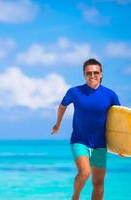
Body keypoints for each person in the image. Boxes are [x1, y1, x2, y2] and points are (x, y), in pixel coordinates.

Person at [51, 58, 120, 200]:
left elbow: (119, 121)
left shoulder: (110, 95)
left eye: (96, 72)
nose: (92, 76)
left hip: (100, 144)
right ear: (84, 74)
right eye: (89, 73)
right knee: (84, 172)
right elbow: (62, 106)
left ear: (101, 74)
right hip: (79, 140)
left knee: (99, 183)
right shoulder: (74, 92)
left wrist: (121, 146)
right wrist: (58, 123)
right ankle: (75, 197)